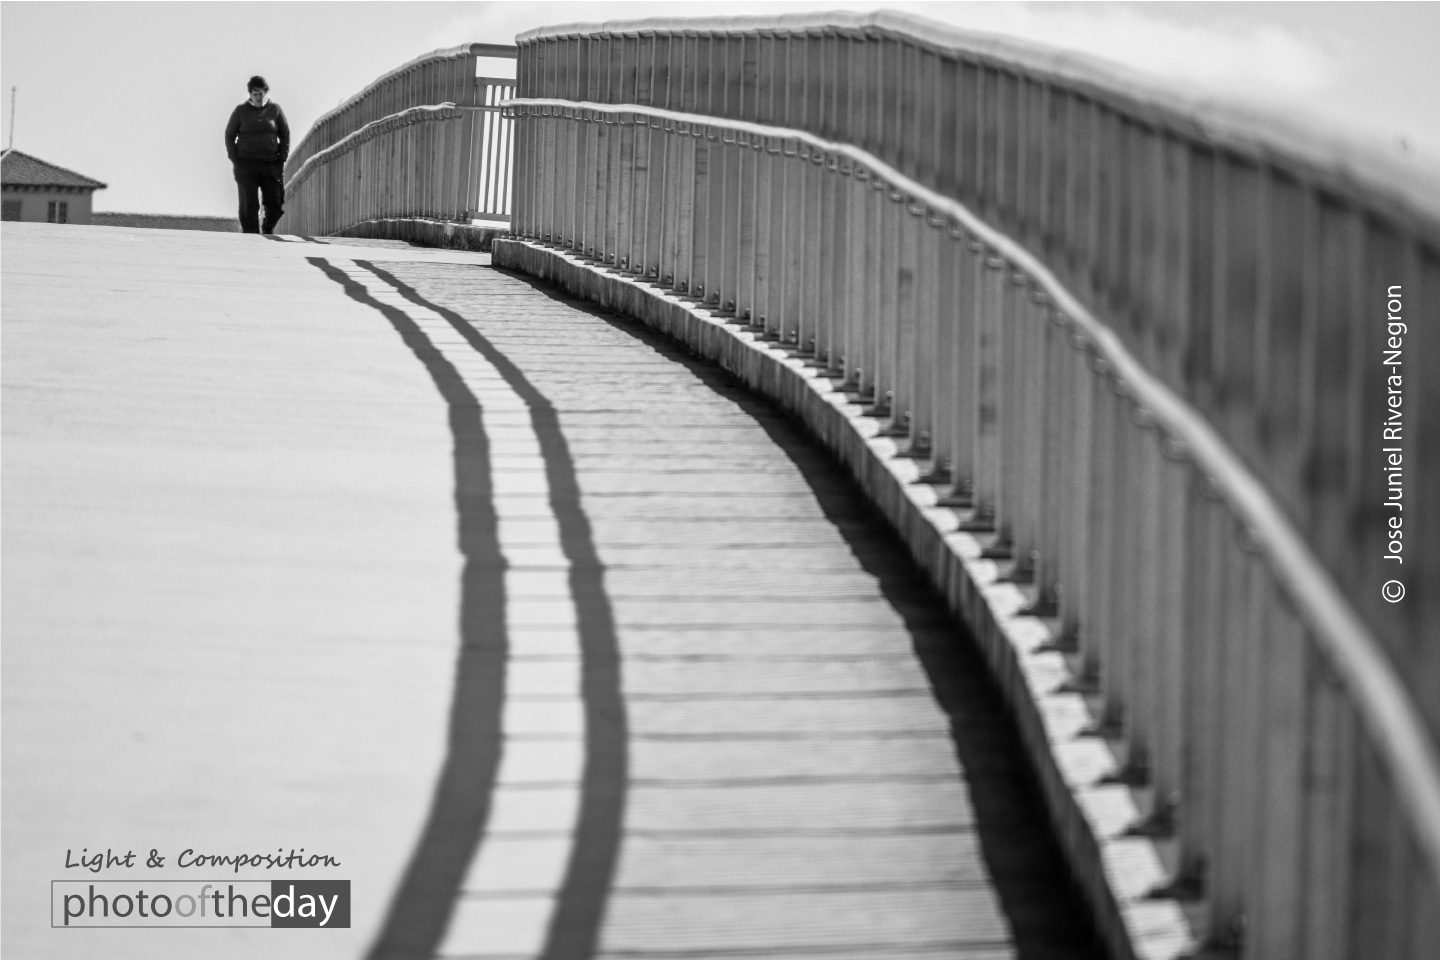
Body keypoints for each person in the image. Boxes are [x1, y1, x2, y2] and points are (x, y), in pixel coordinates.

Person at [225, 75, 290, 234]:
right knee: (249, 204)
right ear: (250, 95)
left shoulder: (275, 110)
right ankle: (251, 236)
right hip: (246, 164)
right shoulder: (241, 111)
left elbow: (285, 134)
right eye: (255, 94)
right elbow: (229, 135)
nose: (258, 97)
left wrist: (281, 158)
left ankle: (267, 227)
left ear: (265, 92)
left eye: (261, 93)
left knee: (275, 203)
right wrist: (235, 158)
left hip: (270, 164)